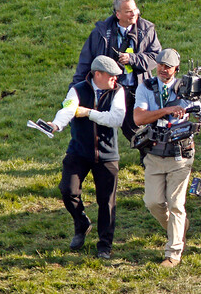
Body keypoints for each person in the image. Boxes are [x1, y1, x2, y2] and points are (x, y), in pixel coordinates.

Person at [133, 49, 201, 268]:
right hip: (154, 152)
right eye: (160, 65)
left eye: (168, 66)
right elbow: (139, 117)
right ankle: (179, 227)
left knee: (176, 203)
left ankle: (173, 253)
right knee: (152, 202)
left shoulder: (188, 87)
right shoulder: (146, 87)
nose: (163, 69)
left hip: (181, 154)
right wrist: (168, 109)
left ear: (176, 69)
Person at [48, 56, 126, 259]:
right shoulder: (77, 89)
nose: (115, 80)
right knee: (67, 190)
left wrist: (89, 113)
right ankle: (82, 223)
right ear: (97, 74)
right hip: (79, 152)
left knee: (107, 202)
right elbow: (68, 109)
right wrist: (56, 125)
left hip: (107, 154)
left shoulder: (118, 91)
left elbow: (116, 119)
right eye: (111, 76)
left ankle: (105, 246)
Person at [70, 0, 162, 147]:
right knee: (103, 127)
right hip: (110, 90)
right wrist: (75, 89)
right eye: (129, 12)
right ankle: (96, 159)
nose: (134, 14)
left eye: (135, 10)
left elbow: (156, 57)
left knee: (138, 129)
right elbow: (85, 63)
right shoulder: (100, 33)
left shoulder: (147, 29)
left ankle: (152, 157)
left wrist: (133, 59)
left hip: (137, 88)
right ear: (118, 14)